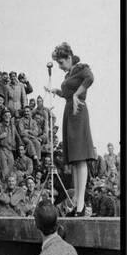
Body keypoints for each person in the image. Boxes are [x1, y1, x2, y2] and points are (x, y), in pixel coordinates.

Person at [45, 42, 95, 216]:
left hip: (78, 111)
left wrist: (76, 94)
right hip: (69, 112)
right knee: (74, 160)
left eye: (61, 62)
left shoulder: (81, 68)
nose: (60, 66)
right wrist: (56, 91)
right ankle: (76, 203)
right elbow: (67, 93)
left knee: (80, 158)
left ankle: (80, 204)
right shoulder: (69, 74)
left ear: (68, 57)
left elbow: (90, 78)